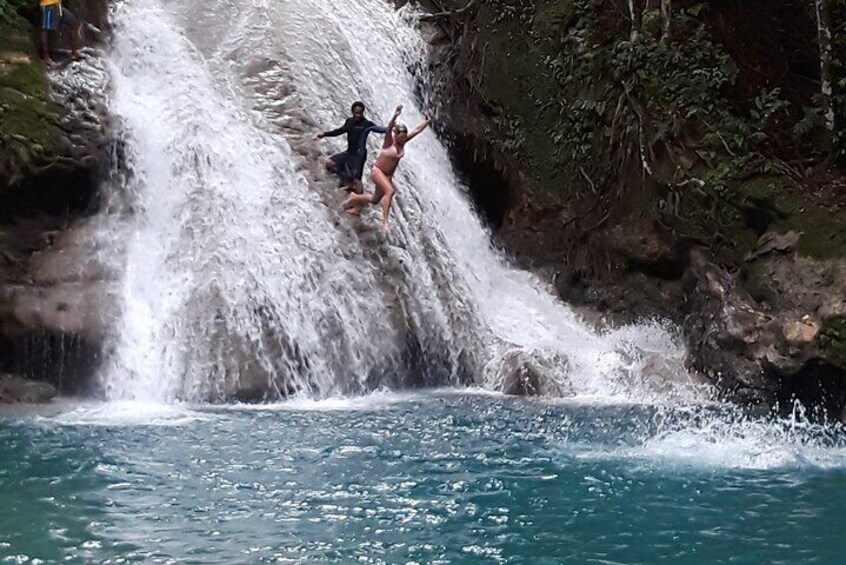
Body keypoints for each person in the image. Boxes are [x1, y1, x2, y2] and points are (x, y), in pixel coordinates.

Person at [344, 105, 430, 234]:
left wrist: (427, 121)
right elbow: (389, 128)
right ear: (396, 136)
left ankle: (355, 197)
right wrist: (395, 115)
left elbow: (417, 130)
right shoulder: (389, 142)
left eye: (404, 137)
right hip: (378, 171)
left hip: (387, 175)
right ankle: (385, 222)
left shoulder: (403, 142)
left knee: (375, 200)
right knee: (390, 191)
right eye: (400, 137)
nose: (402, 140)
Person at [316, 101, 385, 197]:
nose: (358, 115)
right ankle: (346, 179)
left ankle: (361, 199)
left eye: (360, 113)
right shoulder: (349, 121)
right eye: (356, 113)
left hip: (359, 156)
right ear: (352, 112)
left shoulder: (366, 124)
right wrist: (325, 134)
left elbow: (379, 129)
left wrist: (390, 129)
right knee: (329, 163)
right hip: (349, 153)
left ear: (363, 113)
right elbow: (339, 131)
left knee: (357, 183)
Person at [39, 0, 83, 67]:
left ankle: (74, 53)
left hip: (58, 5)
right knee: (45, 29)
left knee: (73, 23)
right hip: (48, 4)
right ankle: (46, 58)